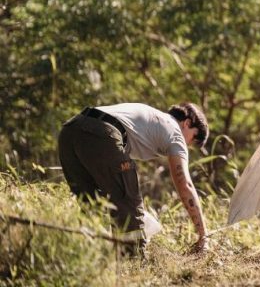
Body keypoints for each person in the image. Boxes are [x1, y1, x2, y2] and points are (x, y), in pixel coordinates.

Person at [58, 102, 209, 255]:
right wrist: (203, 235)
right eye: (192, 140)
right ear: (187, 123)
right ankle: (133, 262)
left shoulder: (151, 117)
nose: (187, 146)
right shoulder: (175, 132)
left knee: (93, 204)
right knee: (128, 207)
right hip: (102, 133)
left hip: (70, 130)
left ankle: (89, 259)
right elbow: (185, 185)